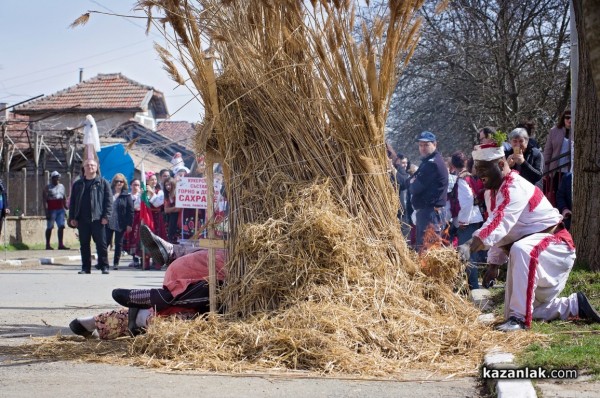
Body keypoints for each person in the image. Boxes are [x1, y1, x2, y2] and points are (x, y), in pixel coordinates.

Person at [468, 142, 600, 331]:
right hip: (534, 254)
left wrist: (470, 246)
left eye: (483, 169)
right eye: (477, 169)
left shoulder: (515, 187)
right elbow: (501, 230)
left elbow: (500, 222)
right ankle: (573, 306)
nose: (479, 175)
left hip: (555, 247)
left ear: (499, 165)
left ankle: (519, 321)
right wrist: (494, 265)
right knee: (524, 309)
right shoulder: (492, 193)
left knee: (522, 250)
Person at [68, 225, 226, 339]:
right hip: (196, 280)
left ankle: (88, 323)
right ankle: (152, 302)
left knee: (178, 312)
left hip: (189, 270)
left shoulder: (220, 253)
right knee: (185, 319)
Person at [68, 159, 113, 274]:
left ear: (97, 167)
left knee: (101, 244)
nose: (90, 167)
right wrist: (72, 217)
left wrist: (106, 216)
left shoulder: (103, 183)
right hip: (82, 219)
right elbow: (72, 201)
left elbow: (109, 201)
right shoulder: (78, 184)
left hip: (98, 219)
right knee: (84, 244)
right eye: (87, 165)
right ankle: (85, 268)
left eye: (92, 165)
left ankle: (104, 266)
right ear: (84, 168)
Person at [448, 152, 484, 289]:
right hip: (473, 217)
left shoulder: (462, 178)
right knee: (470, 252)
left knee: (468, 254)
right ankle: (473, 284)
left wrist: (463, 221)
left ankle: (473, 286)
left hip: (468, 219)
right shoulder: (468, 176)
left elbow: (467, 200)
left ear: (453, 165)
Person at [409, 131, 449, 250]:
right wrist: (412, 181)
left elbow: (414, 188)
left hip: (430, 213)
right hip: (429, 212)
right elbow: (410, 181)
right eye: (421, 145)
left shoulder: (432, 164)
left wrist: (413, 182)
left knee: (427, 251)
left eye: (426, 145)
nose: (423, 148)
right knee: (426, 249)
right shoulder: (428, 162)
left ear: (435, 144)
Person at [106, 173, 134, 270]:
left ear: (124, 183)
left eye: (121, 181)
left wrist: (129, 224)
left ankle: (116, 263)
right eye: (117, 181)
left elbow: (131, 211)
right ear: (113, 182)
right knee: (105, 242)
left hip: (121, 223)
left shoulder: (126, 196)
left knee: (118, 243)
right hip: (108, 222)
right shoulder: (108, 193)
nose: (119, 183)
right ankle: (103, 262)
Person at [543, 110, 572, 204]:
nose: (569, 120)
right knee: (556, 196)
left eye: (572, 117)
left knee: (568, 196)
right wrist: (545, 171)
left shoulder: (579, 130)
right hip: (555, 171)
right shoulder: (554, 131)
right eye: (567, 117)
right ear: (563, 119)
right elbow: (548, 151)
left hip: (570, 171)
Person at [42, 171, 69, 250]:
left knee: (61, 226)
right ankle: (47, 244)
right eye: (56, 177)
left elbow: (64, 198)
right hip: (51, 209)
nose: (57, 179)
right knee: (50, 227)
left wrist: (66, 208)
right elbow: (44, 200)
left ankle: (60, 244)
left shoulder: (62, 186)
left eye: (58, 177)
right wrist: (46, 211)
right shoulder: (48, 187)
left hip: (60, 209)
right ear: (52, 178)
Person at [126, 178, 143, 268]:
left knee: (139, 239)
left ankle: (141, 259)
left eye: (138, 185)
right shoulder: (128, 196)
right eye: (134, 185)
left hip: (139, 218)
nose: (136, 187)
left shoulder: (141, 196)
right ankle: (134, 259)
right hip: (130, 219)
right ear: (130, 186)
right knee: (131, 238)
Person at [163, 177, 181, 243]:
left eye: (169, 184)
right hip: (170, 220)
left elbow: (179, 209)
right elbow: (166, 210)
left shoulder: (178, 194)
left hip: (178, 219)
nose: (167, 187)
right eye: (166, 185)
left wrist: (170, 209)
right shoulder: (167, 195)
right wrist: (175, 208)